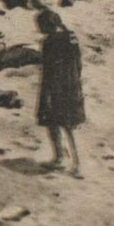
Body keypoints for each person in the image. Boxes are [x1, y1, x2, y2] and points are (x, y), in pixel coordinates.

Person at [35, 9, 84, 177]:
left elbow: (49, 70)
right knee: (68, 125)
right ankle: (76, 164)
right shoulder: (71, 36)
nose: (39, 29)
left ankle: (61, 159)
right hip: (72, 85)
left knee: (55, 124)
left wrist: (47, 93)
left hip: (56, 88)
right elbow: (78, 63)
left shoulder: (50, 41)